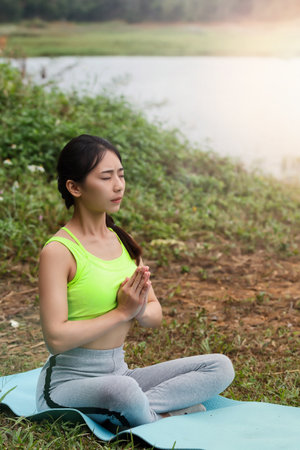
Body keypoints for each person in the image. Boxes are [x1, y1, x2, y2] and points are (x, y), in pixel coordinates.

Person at [36, 134, 234, 430]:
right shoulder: (59, 252)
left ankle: (143, 411)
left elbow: (154, 316)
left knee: (219, 366)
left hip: (120, 374)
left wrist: (138, 307)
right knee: (124, 393)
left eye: (121, 175)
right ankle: (158, 415)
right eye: (106, 177)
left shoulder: (123, 242)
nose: (118, 185)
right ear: (74, 187)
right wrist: (120, 313)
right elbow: (56, 338)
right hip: (67, 385)